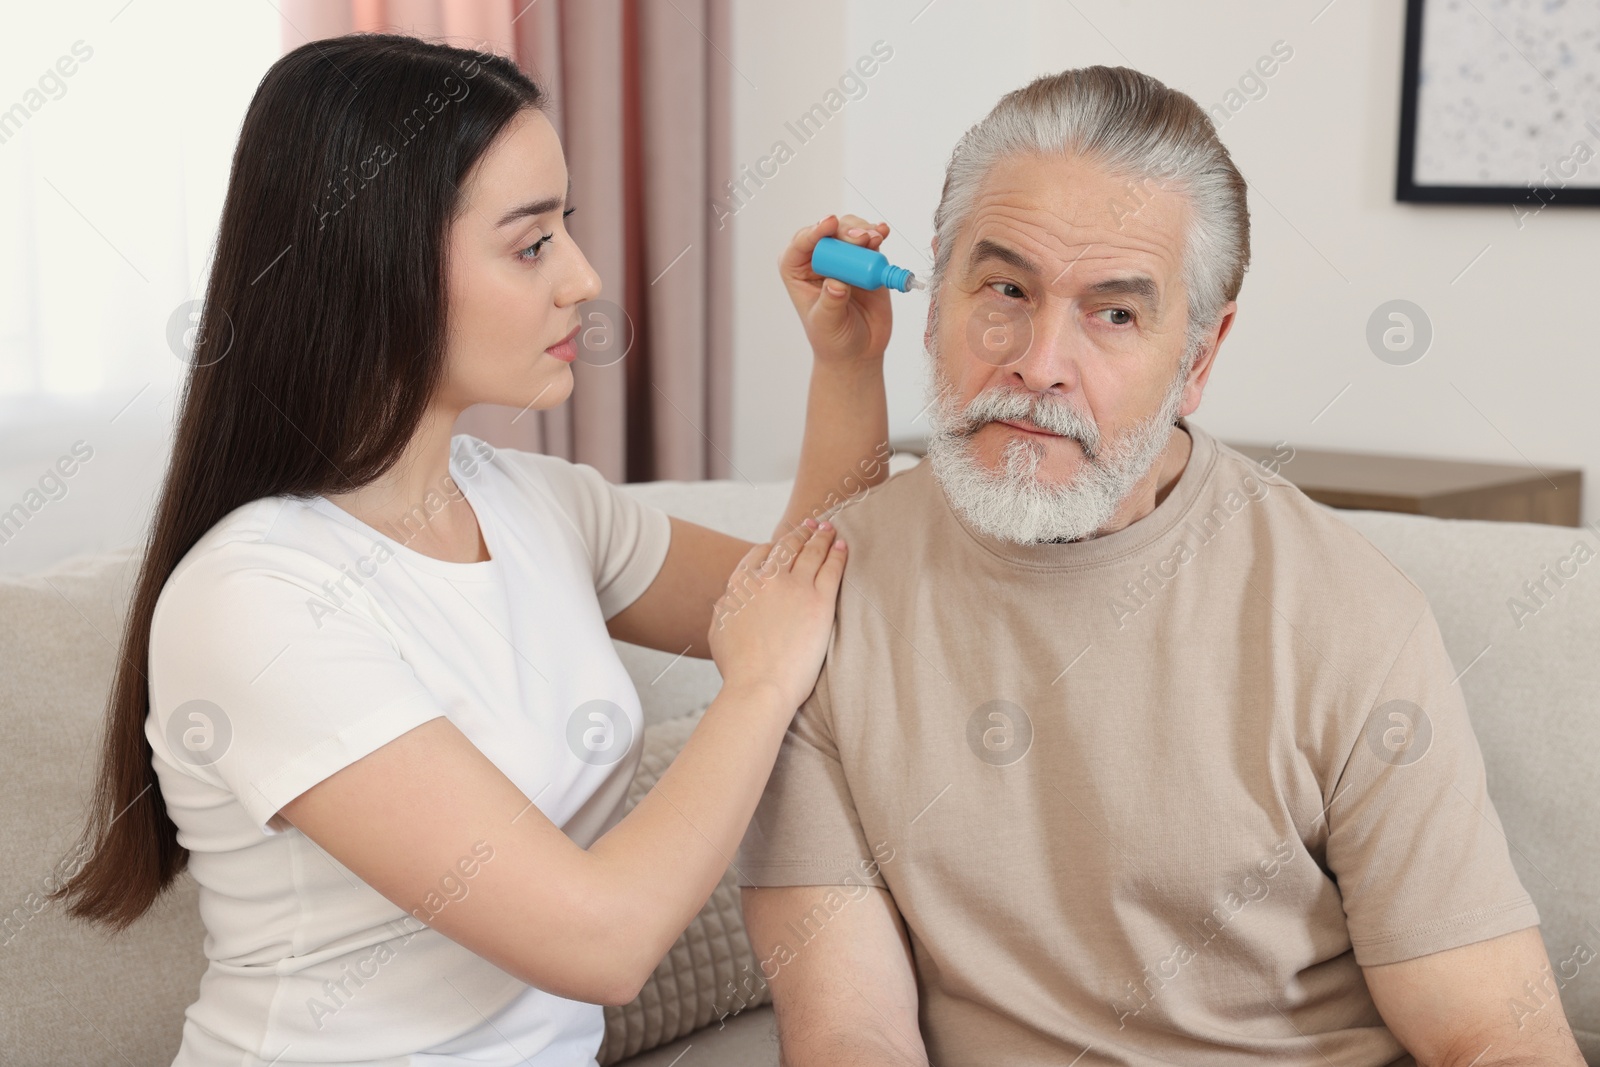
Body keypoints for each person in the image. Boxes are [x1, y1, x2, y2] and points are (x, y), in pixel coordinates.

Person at [49, 34, 898, 1066]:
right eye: (531, 244)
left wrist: (846, 367)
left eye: (565, 232)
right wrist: (757, 687)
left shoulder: (539, 506)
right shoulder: (256, 598)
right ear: (381, 264)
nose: (584, 279)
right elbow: (603, 940)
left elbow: (816, 595)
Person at [736, 65, 1586, 1066]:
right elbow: (848, 1026)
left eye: (1115, 314)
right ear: (933, 301)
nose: (1039, 360)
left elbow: (1494, 1032)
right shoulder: (818, 604)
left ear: (1199, 356)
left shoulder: (1346, 615)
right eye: (1004, 288)